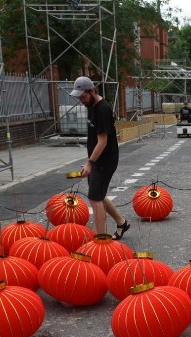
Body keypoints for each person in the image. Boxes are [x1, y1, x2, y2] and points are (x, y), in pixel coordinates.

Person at [70, 76, 130, 239]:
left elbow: (103, 141)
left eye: (83, 96)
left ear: (92, 91)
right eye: (79, 97)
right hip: (97, 160)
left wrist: (90, 163)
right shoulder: (91, 105)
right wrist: (90, 160)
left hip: (106, 160)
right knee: (99, 195)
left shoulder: (102, 109)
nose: (81, 100)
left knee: (94, 198)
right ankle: (121, 223)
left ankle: (101, 240)